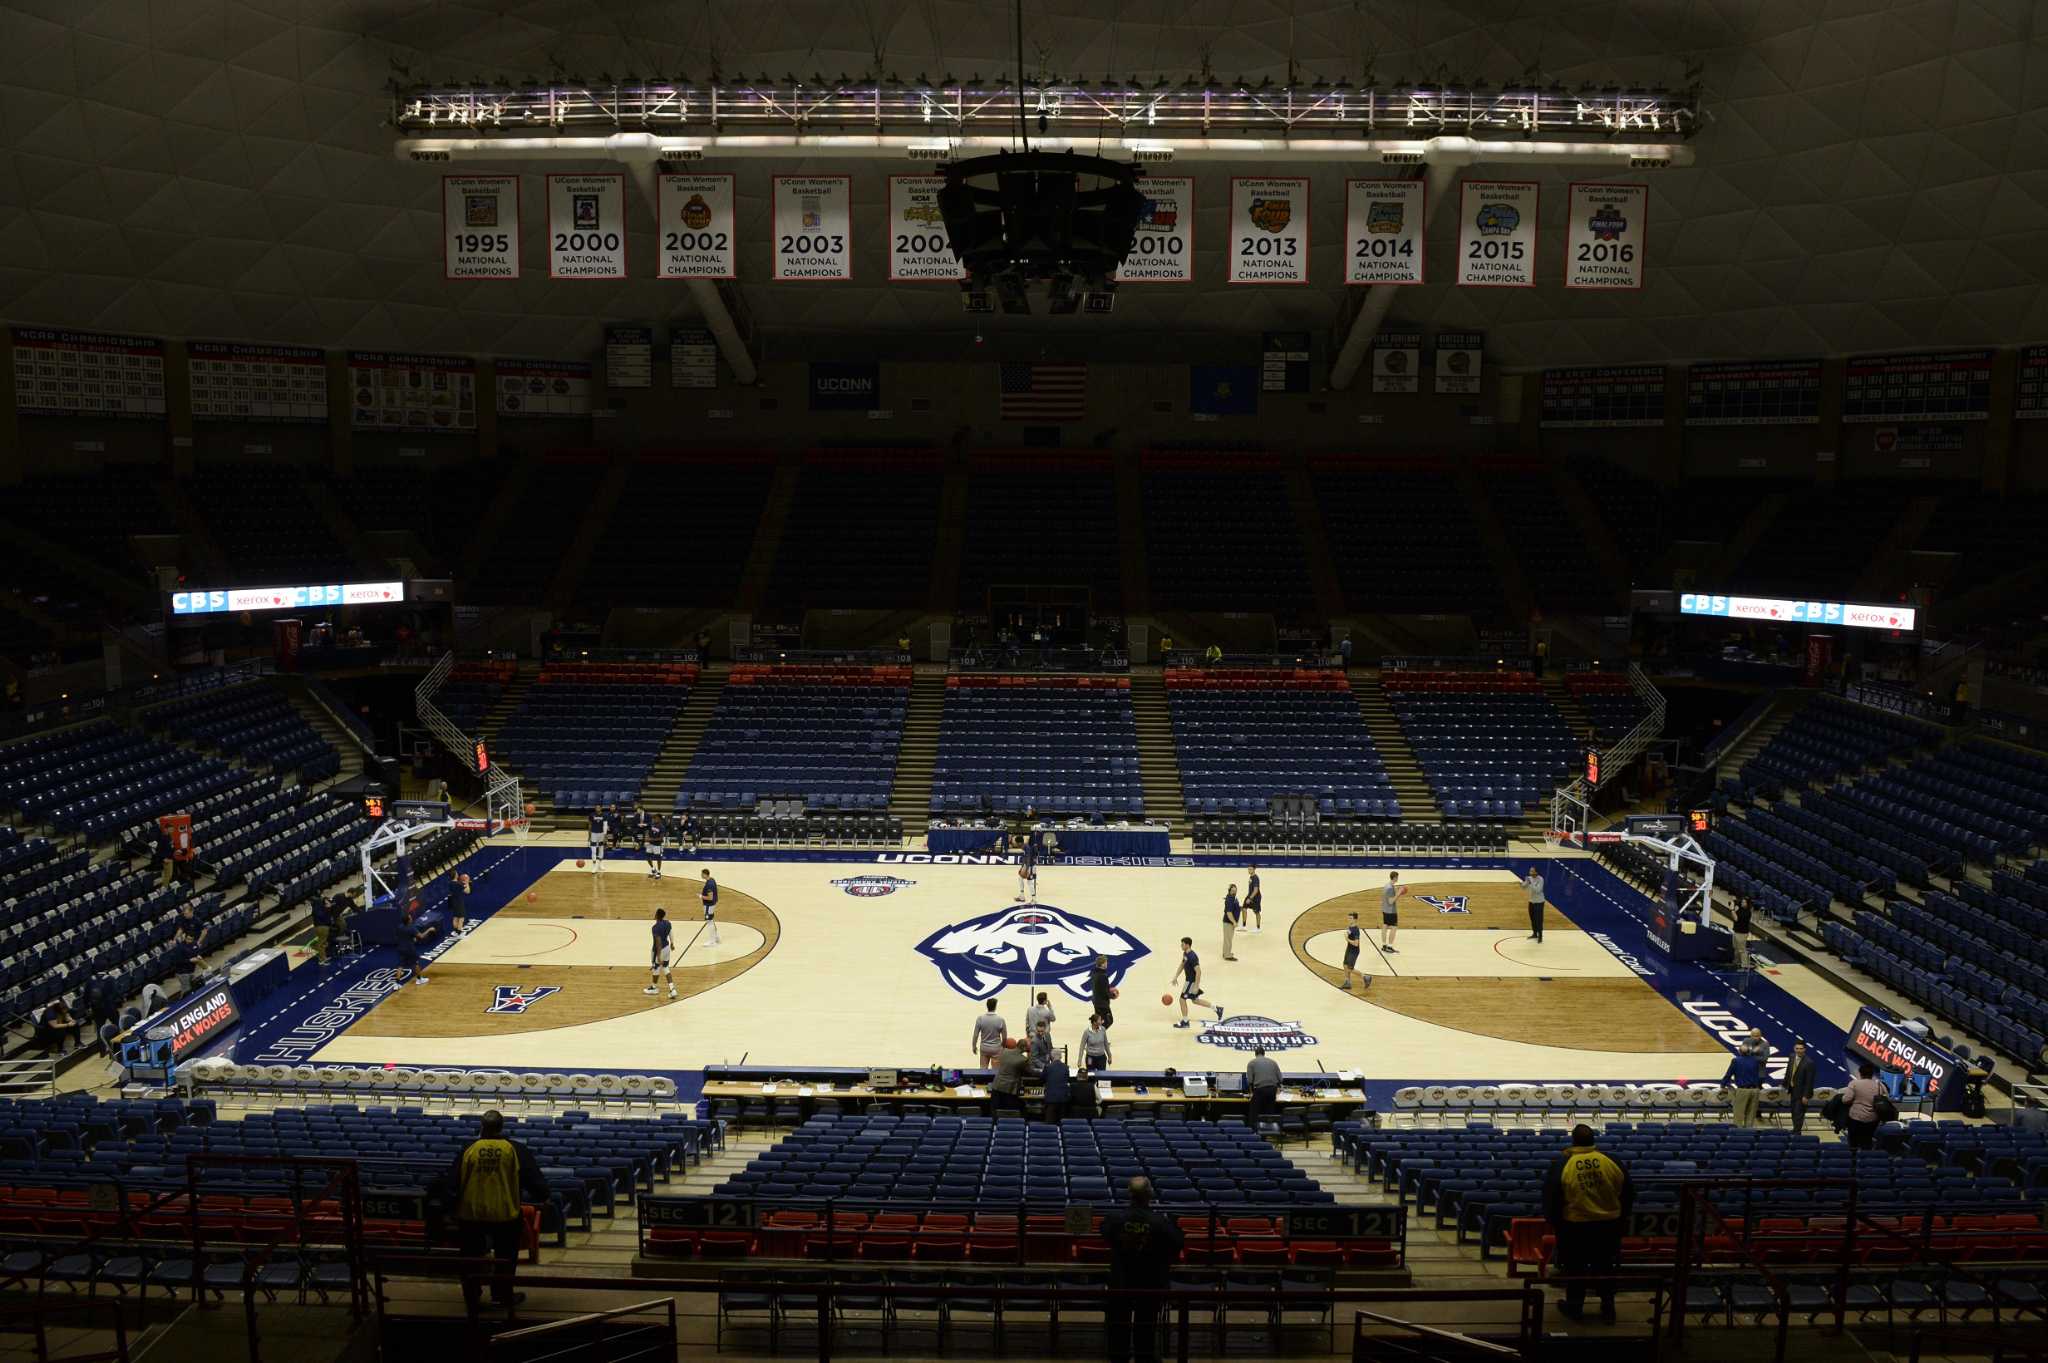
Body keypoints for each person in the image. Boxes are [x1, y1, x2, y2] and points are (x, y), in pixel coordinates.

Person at [449, 1110, 549, 1314]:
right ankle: (502, 1295)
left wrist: (450, 1210)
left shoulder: (468, 1149)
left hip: (471, 1214)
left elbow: (452, 1182)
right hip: (505, 1213)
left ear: (481, 1127)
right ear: (501, 1127)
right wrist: (542, 1194)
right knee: (505, 1258)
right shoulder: (515, 1149)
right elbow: (536, 1183)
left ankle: (472, 1297)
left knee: (470, 1258)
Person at [1543, 1125, 1633, 1323]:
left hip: (1575, 1228)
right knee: (1606, 1267)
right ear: (1594, 1140)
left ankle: (1575, 1308)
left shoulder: (1563, 1164)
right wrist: (1620, 1219)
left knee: (1575, 1269)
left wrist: (1557, 1225)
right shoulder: (1611, 1162)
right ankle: (1608, 1308)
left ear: (1573, 1140)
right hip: (1609, 1226)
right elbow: (1628, 1193)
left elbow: (1552, 1198)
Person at [1102, 1176, 1183, 1363]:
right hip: (1150, 1282)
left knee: (1119, 1325)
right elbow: (1177, 1242)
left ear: (1129, 1194)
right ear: (1150, 1194)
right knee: (1145, 1326)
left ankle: (1119, 1357)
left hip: (1121, 1281)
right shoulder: (1160, 1222)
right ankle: (1144, 1357)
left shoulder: (1115, 1219)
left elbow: (1106, 1235)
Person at [1171, 936, 1223, 1029]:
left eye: (1182, 944)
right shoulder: (1185, 954)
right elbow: (1182, 965)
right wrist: (1176, 976)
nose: (1181, 946)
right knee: (1195, 1000)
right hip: (1189, 981)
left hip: (1191, 982)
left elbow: (1198, 971)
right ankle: (1217, 1008)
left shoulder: (1192, 956)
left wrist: (1196, 986)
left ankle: (1185, 1022)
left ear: (1187, 945)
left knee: (1182, 999)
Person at [1843, 1062, 1889, 1150]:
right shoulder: (1880, 1085)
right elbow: (1886, 1099)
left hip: (1856, 1118)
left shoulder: (1854, 1084)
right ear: (1872, 1074)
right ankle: (1865, 1159)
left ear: (1860, 1073)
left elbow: (1846, 1100)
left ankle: (1853, 1159)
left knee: (1853, 1142)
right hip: (1873, 1119)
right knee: (1867, 1140)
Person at [1723, 1036, 1765, 1128]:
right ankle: (1748, 1134)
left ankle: (1737, 1135)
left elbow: (1728, 1074)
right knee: (1750, 1115)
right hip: (1755, 1090)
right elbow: (1760, 1074)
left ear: (1739, 1052)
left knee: (1738, 1114)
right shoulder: (1755, 1061)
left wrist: (1723, 1084)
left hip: (1743, 1091)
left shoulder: (1736, 1061)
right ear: (1749, 1052)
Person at [990, 1038, 1030, 1117]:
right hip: (1009, 1089)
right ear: (1025, 1048)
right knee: (1010, 1112)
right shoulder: (1023, 1059)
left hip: (997, 1085)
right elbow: (1029, 1072)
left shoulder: (1005, 1051)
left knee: (995, 1111)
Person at [1245, 1045, 1282, 1124]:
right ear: (1264, 1053)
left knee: (1254, 1112)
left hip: (1260, 1090)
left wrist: (1251, 1092)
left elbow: (1250, 1081)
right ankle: (1269, 1131)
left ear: (1255, 1054)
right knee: (1269, 1111)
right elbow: (1280, 1079)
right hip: (1272, 1090)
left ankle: (1254, 1130)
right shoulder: (1273, 1062)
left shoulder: (1251, 1063)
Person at [1786, 1040, 1816, 1135]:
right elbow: (1789, 1072)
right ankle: (1795, 1128)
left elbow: (1809, 1081)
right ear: (1794, 1048)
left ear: (1805, 1049)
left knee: (1798, 1112)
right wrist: (1784, 1084)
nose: (1799, 1050)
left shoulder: (1809, 1063)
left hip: (1802, 1093)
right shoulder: (1791, 1057)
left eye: (1801, 1049)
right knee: (1793, 1111)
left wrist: (1806, 1096)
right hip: (1793, 1090)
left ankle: (1797, 1132)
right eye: (1797, 1048)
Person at [644, 907, 676, 999]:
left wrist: (658, 956)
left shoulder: (655, 928)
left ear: (657, 915)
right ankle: (672, 989)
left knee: (656, 967)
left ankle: (654, 987)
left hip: (659, 950)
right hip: (667, 948)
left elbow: (658, 942)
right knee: (666, 967)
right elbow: (671, 932)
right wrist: (672, 943)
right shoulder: (667, 923)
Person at [972, 996, 1008, 1065]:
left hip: (984, 1047)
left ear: (987, 1006)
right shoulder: (1000, 1020)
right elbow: (1004, 1037)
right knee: (995, 1070)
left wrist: (974, 1046)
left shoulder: (980, 1018)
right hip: (996, 1048)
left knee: (983, 1069)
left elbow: (975, 1035)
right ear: (995, 1006)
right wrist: (1002, 1046)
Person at [1040, 1050, 1072, 1123]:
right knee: (1062, 1123)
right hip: (1063, 1098)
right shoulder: (1066, 1067)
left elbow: (1042, 1079)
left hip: (1051, 1098)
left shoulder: (1048, 1067)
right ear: (1061, 1056)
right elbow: (1067, 1079)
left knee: (1050, 1123)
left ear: (1051, 1056)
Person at [397, 910, 428, 986]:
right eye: (410, 918)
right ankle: (419, 979)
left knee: (400, 966)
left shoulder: (400, 927)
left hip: (401, 948)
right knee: (416, 963)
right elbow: (421, 936)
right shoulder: (411, 928)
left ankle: (396, 983)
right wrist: (429, 930)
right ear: (408, 920)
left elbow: (403, 936)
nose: (411, 918)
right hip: (409, 949)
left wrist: (412, 938)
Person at [1380, 872, 1407, 954]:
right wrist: (1399, 893)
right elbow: (1391, 901)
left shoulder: (1387, 885)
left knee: (1385, 926)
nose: (1397, 878)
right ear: (1395, 877)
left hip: (1385, 909)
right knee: (1394, 927)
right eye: (1397, 877)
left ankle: (1384, 945)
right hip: (1391, 911)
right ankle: (1390, 946)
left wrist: (1397, 891)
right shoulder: (1390, 888)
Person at [1339, 911, 1366, 991]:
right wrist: (1348, 934)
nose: (1349, 920)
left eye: (1351, 918)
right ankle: (1347, 982)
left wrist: (1347, 939)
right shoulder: (1350, 927)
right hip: (1349, 949)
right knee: (1345, 965)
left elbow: (1356, 944)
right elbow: (1349, 932)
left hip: (1354, 951)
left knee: (1350, 968)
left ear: (1355, 920)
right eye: (1348, 918)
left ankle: (1365, 977)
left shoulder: (1356, 930)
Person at [1089, 954, 1116, 1030]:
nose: (1107, 963)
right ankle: (1096, 1037)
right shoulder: (1103, 976)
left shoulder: (1094, 973)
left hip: (1096, 1001)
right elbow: (1105, 992)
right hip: (1102, 1003)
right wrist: (1113, 995)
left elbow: (1100, 988)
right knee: (1108, 1021)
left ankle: (1098, 1039)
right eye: (1106, 962)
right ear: (1102, 964)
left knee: (1099, 1022)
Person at [1729, 894, 1753, 969]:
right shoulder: (1741, 908)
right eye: (1742, 902)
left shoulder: (1747, 912)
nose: (1742, 903)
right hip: (1736, 930)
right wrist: (1733, 902)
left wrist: (1732, 910)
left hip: (1742, 933)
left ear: (1747, 904)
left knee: (1741, 949)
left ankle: (1744, 964)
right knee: (1736, 948)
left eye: (1744, 902)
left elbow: (1736, 918)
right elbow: (1734, 902)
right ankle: (1736, 962)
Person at [1523, 868, 1546, 943]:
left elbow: (1538, 890)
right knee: (1532, 919)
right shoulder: (1529, 878)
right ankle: (1535, 933)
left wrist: (1530, 882)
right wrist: (1525, 882)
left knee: (1539, 920)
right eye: (1530, 871)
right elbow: (1523, 887)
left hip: (1539, 902)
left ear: (1536, 872)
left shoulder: (1540, 879)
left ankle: (1540, 936)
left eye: (1532, 871)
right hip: (1531, 902)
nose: (1530, 872)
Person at [699, 869, 720, 947]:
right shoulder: (712, 879)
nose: (701, 875)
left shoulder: (709, 885)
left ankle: (712, 941)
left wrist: (701, 896)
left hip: (709, 905)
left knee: (709, 922)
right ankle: (716, 937)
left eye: (702, 874)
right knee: (711, 920)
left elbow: (710, 897)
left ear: (705, 874)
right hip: (711, 904)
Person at [1221, 883, 1241, 961]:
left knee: (1227, 938)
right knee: (1228, 939)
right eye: (1233, 890)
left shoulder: (1233, 897)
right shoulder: (1229, 899)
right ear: (1229, 891)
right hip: (1228, 923)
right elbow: (1229, 913)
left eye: (1235, 890)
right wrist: (1234, 922)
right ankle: (1227, 955)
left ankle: (1225, 952)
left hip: (1230, 922)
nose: (1234, 892)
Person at [586, 807, 607, 873]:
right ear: (595, 808)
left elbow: (605, 826)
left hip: (601, 834)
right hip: (593, 834)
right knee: (593, 850)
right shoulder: (591, 815)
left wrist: (605, 836)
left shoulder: (604, 815)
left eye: (599, 807)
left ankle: (600, 864)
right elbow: (589, 825)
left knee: (601, 849)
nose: (598, 808)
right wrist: (589, 835)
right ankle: (594, 866)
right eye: (596, 807)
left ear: (601, 808)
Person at [1244, 864, 1263, 933]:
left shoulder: (1255, 878)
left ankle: (1258, 928)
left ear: (1254, 869)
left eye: (1251, 869)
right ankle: (1244, 926)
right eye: (1248, 869)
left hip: (1256, 897)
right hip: (1250, 895)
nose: (1249, 870)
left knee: (1256, 912)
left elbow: (1256, 890)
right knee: (1244, 908)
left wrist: (1250, 898)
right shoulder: (1251, 877)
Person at [646, 815, 664, 880]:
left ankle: (659, 872)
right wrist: (647, 836)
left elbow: (661, 838)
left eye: (655, 818)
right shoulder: (651, 825)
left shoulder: (662, 827)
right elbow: (648, 831)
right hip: (650, 844)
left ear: (659, 819)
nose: (654, 819)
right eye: (653, 818)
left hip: (657, 845)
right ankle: (653, 869)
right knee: (648, 857)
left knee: (658, 858)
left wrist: (651, 839)